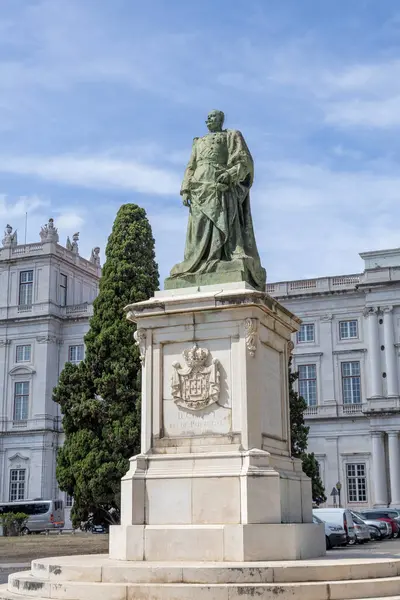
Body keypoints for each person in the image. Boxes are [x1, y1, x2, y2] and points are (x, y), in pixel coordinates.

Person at [166, 110, 266, 291]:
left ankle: (222, 257)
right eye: (207, 118)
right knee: (199, 227)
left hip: (221, 187)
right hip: (198, 189)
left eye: (212, 117)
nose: (207, 120)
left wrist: (230, 174)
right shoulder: (198, 142)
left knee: (223, 224)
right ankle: (198, 261)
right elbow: (190, 166)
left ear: (220, 119)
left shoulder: (231, 136)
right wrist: (185, 189)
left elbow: (245, 162)